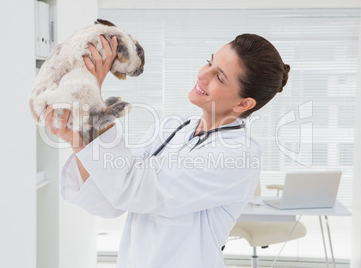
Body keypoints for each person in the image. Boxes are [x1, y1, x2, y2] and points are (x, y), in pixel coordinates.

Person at [46, 33, 290, 268]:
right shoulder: (171, 127)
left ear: (243, 103)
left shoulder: (240, 154)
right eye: (209, 62)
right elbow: (111, 201)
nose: (203, 75)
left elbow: (132, 188)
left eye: (219, 77)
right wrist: (78, 141)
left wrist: (92, 96)